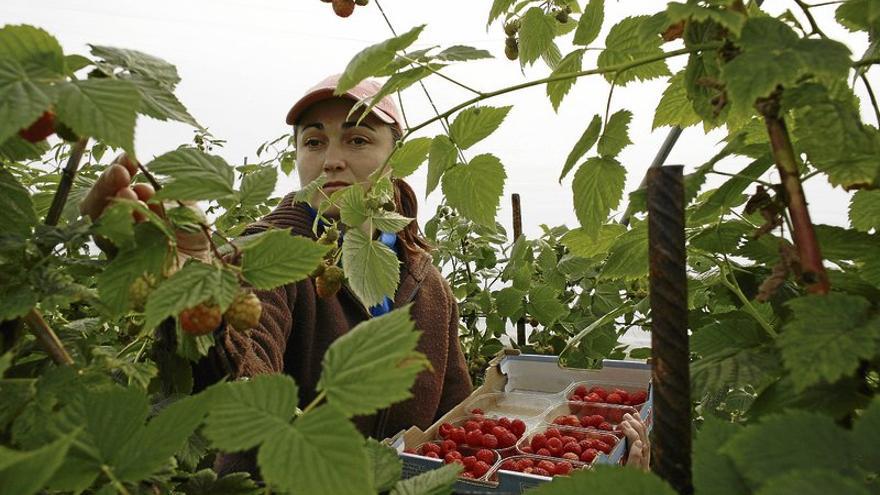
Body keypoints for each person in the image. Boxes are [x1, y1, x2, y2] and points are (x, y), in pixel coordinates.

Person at [79, 74, 650, 475]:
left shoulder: (426, 285)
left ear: (393, 156)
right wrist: (198, 297)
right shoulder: (269, 257)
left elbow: (456, 417)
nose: (331, 159)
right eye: (314, 141)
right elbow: (237, 388)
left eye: (357, 139)